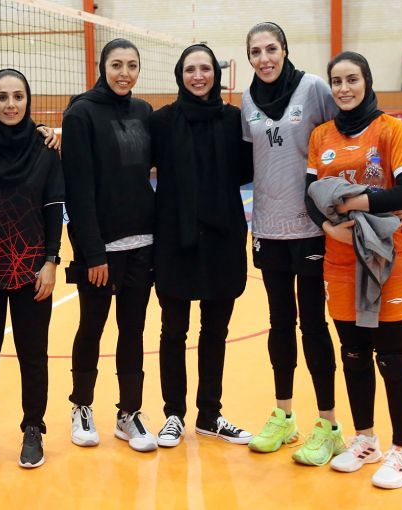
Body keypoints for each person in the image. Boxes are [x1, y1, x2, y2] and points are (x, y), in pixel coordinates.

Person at [306, 51, 402, 489]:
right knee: (353, 353)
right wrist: (328, 229)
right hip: (339, 261)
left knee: (392, 357)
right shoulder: (321, 136)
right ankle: (366, 440)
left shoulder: (390, 129)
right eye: (336, 81)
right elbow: (309, 194)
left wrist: (353, 202)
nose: (344, 88)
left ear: (367, 81)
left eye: (352, 79)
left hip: (389, 259)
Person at [240, 22, 344, 466]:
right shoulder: (247, 100)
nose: (264, 59)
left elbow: (343, 137)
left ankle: (329, 426)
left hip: (311, 228)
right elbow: (253, 158)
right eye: (256, 52)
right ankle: (284, 416)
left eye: (271, 49)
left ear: (284, 50)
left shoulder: (314, 88)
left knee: (314, 325)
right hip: (268, 228)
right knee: (279, 324)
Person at [150, 44, 253, 447]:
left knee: (215, 331)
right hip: (175, 240)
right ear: (180, 74)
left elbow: (249, 168)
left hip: (223, 240)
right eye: (190, 69)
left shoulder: (233, 120)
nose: (198, 76)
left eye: (205, 69)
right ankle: (173, 414)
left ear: (216, 74)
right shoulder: (161, 122)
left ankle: (209, 415)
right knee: (173, 331)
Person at [0, 69, 64, 469]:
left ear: (28, 100)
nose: (10, 104)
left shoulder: (45, 148)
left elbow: (53, 207)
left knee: (33, 354)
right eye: (2, 97)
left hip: (32, 269)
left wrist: (51, 261)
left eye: (18, 96)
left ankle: (33, 428)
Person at [61, 38, 157, 452]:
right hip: (101, 249)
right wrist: (93, 252)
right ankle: (81, 406)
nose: (124, 73)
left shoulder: (144, 112)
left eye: (132, 65)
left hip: (143, 242)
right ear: (103, 67)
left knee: (133, 330)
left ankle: (128, 413)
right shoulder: (81, 113)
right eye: (116, 65)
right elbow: (78, 190)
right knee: (92, 327)